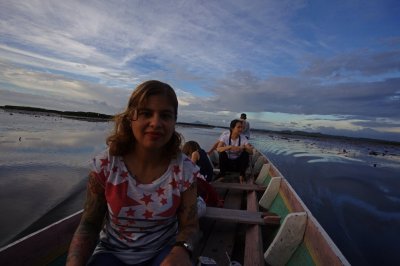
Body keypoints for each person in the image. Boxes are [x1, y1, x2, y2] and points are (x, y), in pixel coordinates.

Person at [66, 80, 199, 266]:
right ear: (131, 117)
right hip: (111, 253)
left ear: (174, 122)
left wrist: (182, 249)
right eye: (146, 113)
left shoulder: (184, 170)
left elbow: (190, 226)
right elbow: (89, 224)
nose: (156, 123)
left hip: (163, 252)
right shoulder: (106, 165)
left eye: (165, 116)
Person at [216, 119, 253, 184]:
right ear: (232, 128)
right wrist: (230, 147)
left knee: (245, 154)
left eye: (242, 127)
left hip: (239, 165)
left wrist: (243, 148)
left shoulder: (243, 138)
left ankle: (242, 175)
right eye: (238, 127)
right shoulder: (225, 137)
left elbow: (251, 152)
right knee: (222, 153)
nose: (241, 129)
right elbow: (218, 149)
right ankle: (222, 175)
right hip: (227, 165)